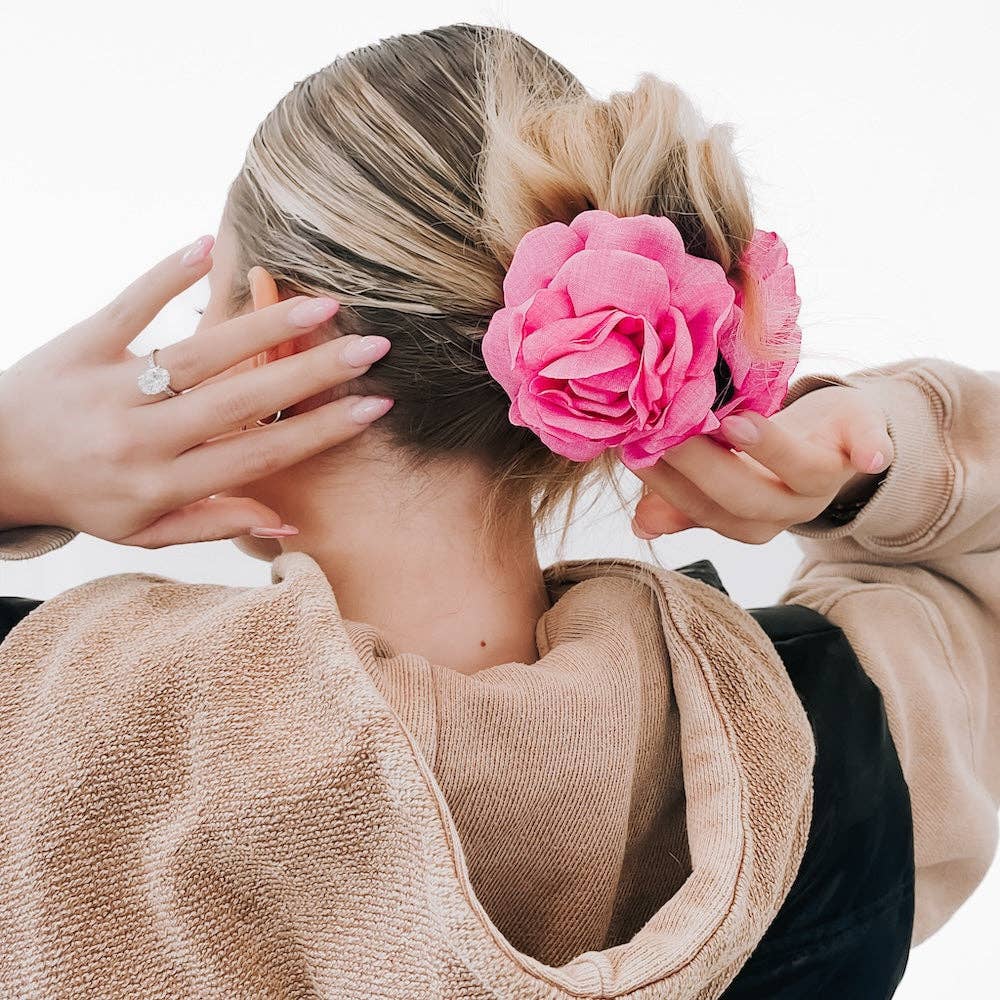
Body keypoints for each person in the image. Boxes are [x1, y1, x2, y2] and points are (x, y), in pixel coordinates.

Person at [0, 21, 997, 1000]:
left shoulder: (49, 726)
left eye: (210, 309)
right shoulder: (825, 741)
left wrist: (14, 460)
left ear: (270, 343)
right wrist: (866, 451)